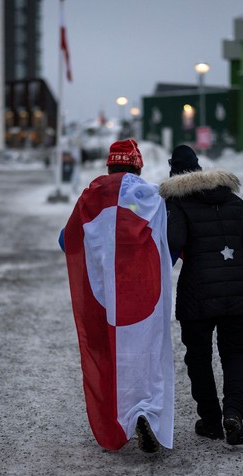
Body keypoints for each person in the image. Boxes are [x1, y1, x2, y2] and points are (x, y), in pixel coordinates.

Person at [159, 144, 243, 446]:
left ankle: (210, 421)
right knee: (235, 354)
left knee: (199, 358)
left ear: (174, 176)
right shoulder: (234, 201)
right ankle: (233, 413)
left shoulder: (178, 203)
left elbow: (174, 241)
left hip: (197, 296)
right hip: (237, 294)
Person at [60, 139, 174, 454]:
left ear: (109, 166)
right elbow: (168, 243)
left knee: (110, 355)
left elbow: (66, 240)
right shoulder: (150, 197)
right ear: (138, 166)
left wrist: (99, 258)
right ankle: (145, 412)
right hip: (142, 291)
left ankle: (121, 418)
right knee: (147, 354)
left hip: (105, 293)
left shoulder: (91, 198)